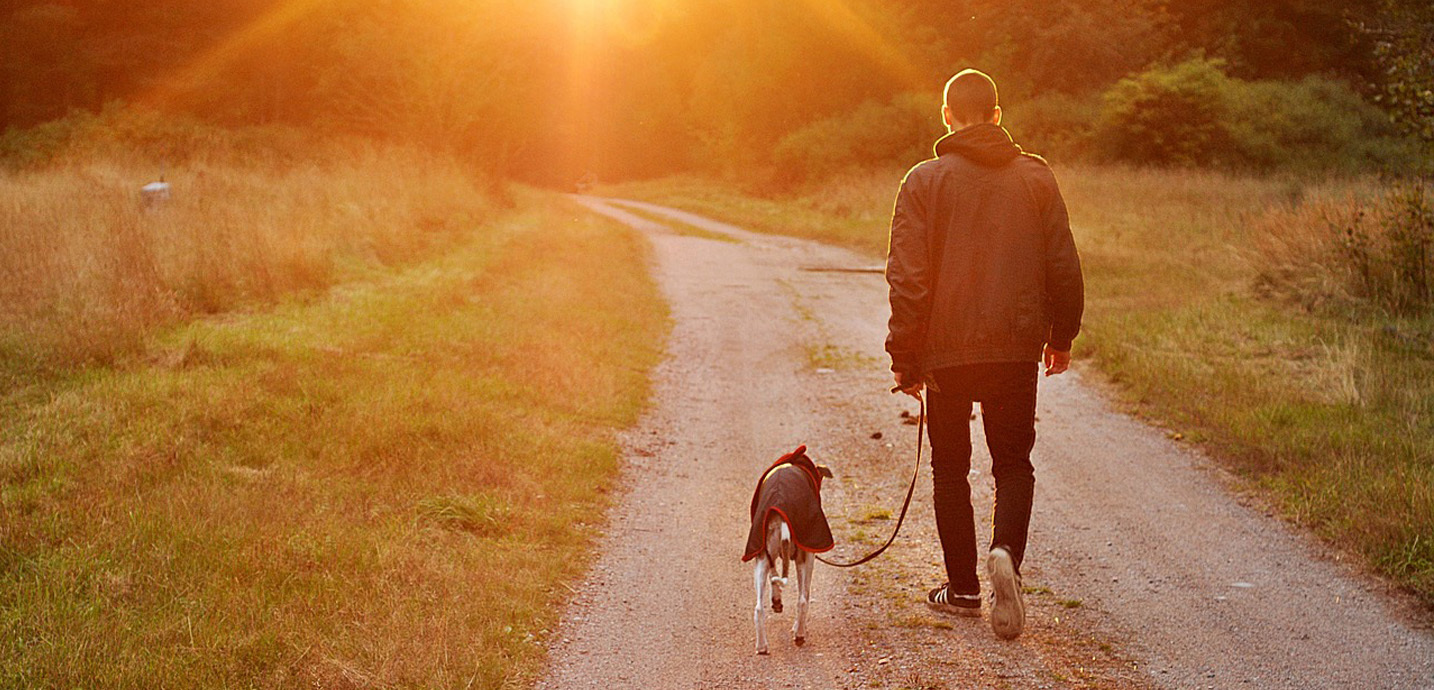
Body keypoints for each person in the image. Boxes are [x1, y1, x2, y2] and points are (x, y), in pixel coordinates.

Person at [884, 69, 1084, 640]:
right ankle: (1005, 558)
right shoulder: (1037, 178)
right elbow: (1063, 265)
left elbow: (908, 277)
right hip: (1016, 349)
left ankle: (964, 589)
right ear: (998, 115)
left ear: (946, 115)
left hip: (944, 354)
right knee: (1013, 463)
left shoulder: (923, 181)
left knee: (951, 469)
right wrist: (1060, 336)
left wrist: (905, 354)